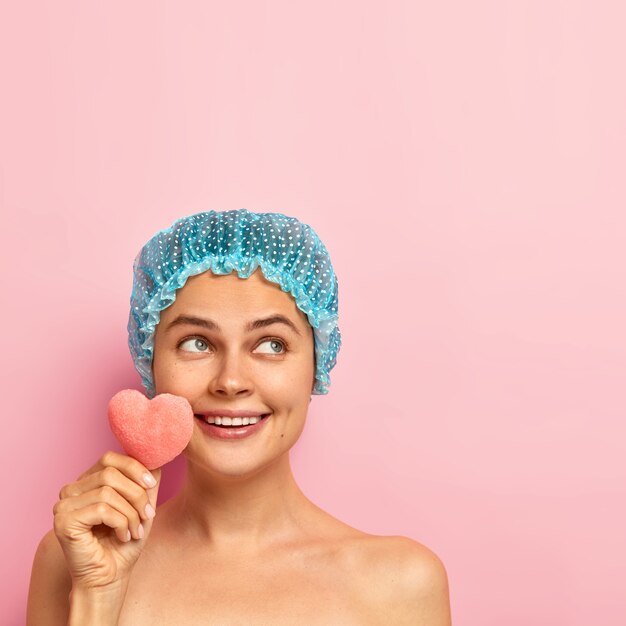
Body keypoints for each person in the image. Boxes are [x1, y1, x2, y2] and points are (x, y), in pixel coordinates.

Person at [27, 209, 451, 625]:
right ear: (151, 363)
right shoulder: (73, 559)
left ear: (317, 364)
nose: (231, 382)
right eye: (197, 343)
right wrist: (97, 597)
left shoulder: (402, 584)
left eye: (271, 344)